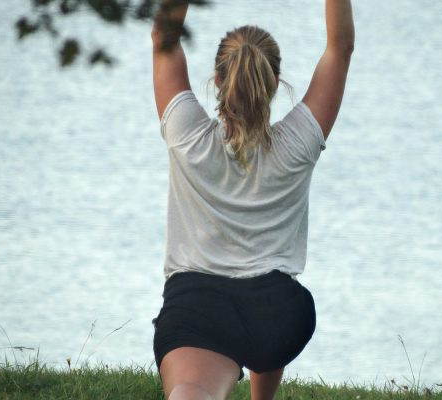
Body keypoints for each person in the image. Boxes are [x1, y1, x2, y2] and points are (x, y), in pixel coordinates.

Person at [150, 1, 354, 399]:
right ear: (275, 83)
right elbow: (339, 48)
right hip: (277, 315)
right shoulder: (298, 143)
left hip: (198, 309)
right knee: (270, 307)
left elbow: (163, 40)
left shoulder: (187, 133)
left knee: (191, 393)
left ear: (217, 80)